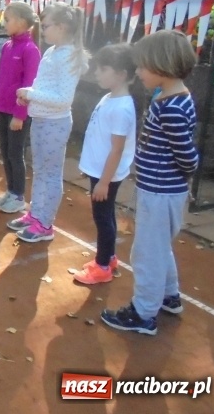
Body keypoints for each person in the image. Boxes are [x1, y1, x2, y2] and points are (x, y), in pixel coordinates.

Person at [101, 30, 198, 335]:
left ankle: (144, 313)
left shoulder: (170, 108)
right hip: (161, 190)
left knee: (146, 253)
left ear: (162, 66)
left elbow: (187, 155)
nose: (139, 72)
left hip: (160, 192)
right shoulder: (171, 98)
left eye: (143, 66)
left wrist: (185, 180)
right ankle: (168, 296)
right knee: (159, 247)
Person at [7, 2, 89, 242]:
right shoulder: (54, 52)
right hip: (42, 119)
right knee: (40, 170)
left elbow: (64, 99)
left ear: (62, 27)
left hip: (55, 123)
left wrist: (30, 94)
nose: (42, 31)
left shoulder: (68, 57)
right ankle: (36, 214)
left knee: (50, 173)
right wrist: (28, 94)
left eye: (47, 26)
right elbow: (46, 88)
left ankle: (45, 225)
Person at [74, 43, 138, 285]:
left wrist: (103, 181)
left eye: (103, 69)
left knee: (102, 217)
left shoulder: (122, 108)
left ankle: (102, 266)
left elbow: (117, 149)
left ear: (121, 74)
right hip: (100, 171)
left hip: (106, 174)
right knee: (106, 214)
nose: (97, 73)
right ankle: (108, 258)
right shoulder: (110, 98)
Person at [0, 1, 40, 213]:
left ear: (21, 22)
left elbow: (30, 84)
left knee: (15, 154)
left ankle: (18, 196)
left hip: (17, 114)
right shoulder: (7, 46)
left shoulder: (30, 50)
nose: (4, 23)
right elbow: (1, 79)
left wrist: (20, 115)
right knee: (6, 152)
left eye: (7, 20)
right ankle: (10, 191)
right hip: (2, 109)